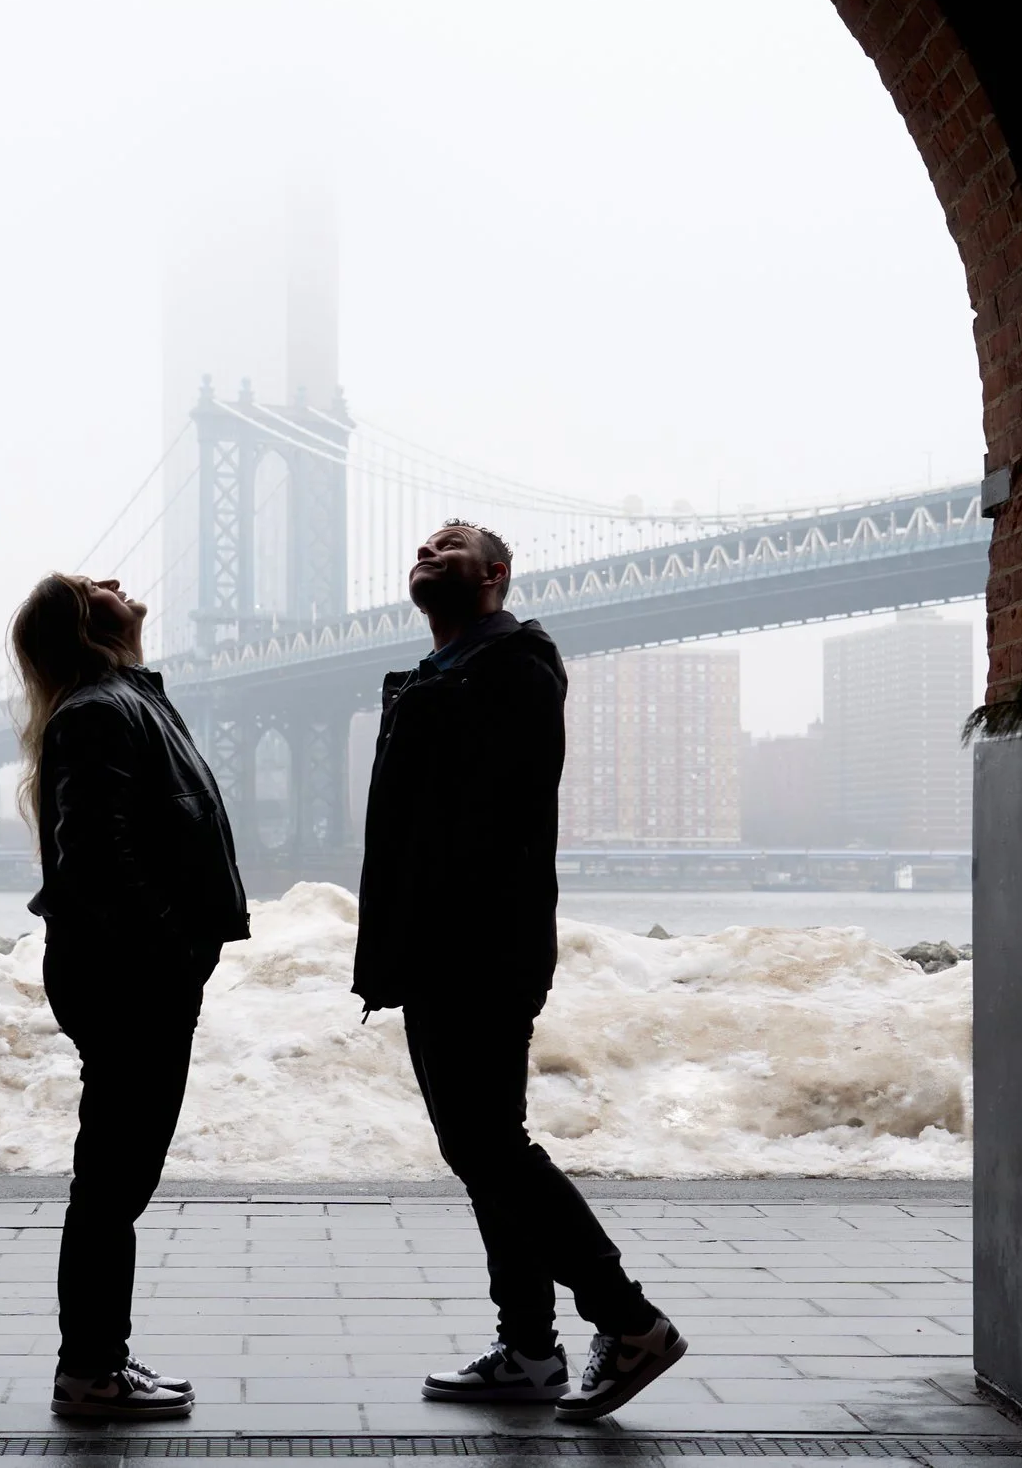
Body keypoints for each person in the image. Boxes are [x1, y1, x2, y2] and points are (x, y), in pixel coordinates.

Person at [353, 522, 687, 1421]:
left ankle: (628, 1322)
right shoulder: (450, 671)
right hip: (444, 950)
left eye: (450, 545)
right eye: (418, 544)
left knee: (490, 1147)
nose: (426, 551)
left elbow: (485, 816)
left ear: (496, 574)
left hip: (478, 951)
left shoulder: (513, 670)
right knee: (484, 1151)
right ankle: (530, 1348)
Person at [12, 572, 250, 1421]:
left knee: (115, 1180)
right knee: (112, 1183)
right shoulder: (101, 712)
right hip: (130, 976)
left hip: (128, 971)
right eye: (91, 584)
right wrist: (176, 948)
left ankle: (96, 1362)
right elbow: (98, 859)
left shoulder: (121, 701)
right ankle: (91, 1371)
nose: (115, 581)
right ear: (82, 624)